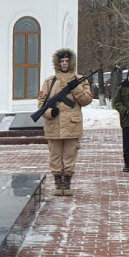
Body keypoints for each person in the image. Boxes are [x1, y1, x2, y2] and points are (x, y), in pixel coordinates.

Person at [38, 48, 93, 196]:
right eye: (61, 61)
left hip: (72, 124)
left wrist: (75, 88)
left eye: (67, 61)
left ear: (71, 62)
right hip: (53, 125)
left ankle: (67, 183)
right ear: (57, 63)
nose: (64, 63)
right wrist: (50, 112)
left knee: (70, 154)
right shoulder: (50, 82)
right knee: (55, 155)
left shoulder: (80, 80)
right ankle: (58, 182)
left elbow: (86, 100)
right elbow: (41, 104)